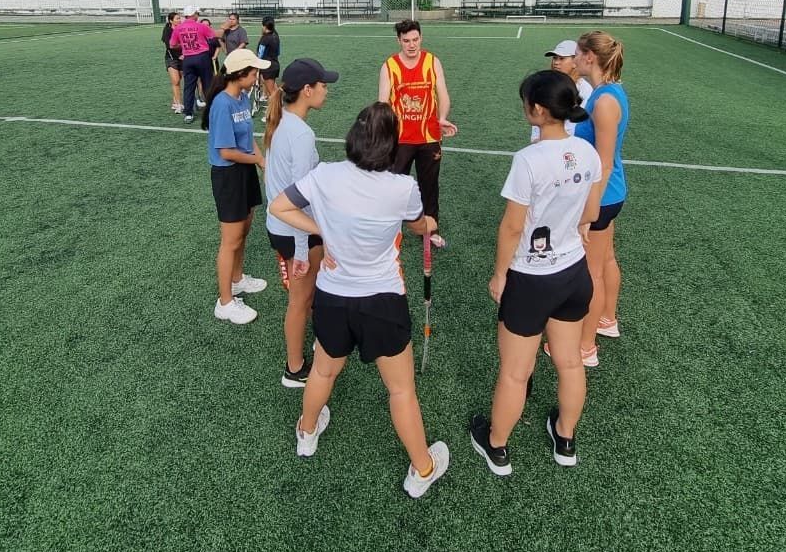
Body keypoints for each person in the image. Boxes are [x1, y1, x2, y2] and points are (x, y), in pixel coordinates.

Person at [269, 102, 450, 499]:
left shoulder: (325, 175)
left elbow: (278, 207)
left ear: (354, 135)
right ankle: (422, 468)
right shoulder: (403, 187)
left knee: (323, 372)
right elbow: (419, 222)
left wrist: (322, 230)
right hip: (382, 300)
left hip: (334, 298)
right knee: (400, 390)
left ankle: (307, 431)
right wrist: (427, 224)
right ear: (390, 145)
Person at [470, 70, 603, 476]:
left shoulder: (528, 160)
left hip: (531, 278)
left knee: (515, 371)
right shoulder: (587, 153)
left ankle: (497, 446)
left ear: (539, 110)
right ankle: (565, 439)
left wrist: (499, 275)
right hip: (574, 273)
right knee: (569, 363)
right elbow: (592, 215)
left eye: (526, 100)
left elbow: (512, 227)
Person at [264, 58, 339, 387]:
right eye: (323, 85)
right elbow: (295, 199)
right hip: (296, 233)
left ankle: (315, 345)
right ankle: (294, 369)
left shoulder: (284, 125)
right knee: (299, 301)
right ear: (307, 91)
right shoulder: (301, 133)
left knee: (305, 297)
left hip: (285, 228)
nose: (326, 90)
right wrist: (298, 250)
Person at [572, 31, 630, 366]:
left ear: (590, 57)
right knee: (606, 258)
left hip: (603, 196)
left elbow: (603, 163)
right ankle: (607, 320)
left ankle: (585, 346)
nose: (575, 60)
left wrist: (587, 211)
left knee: (590, 271)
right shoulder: (605, 93)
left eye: (578, 54)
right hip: (609, 195)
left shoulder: (605, 100)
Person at [205, 47, 272, 325]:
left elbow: (247, 137)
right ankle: (225, 302)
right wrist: (256, 158)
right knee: (230, 240)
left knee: (243, 230)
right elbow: (225, 152)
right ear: (239, 74)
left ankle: (237, 279)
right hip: (229, 176)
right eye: (254, 72)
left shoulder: (242, 98)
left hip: (244, 170)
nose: (257, 76)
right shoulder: (222, 104)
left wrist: (262, 162)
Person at [378, 20, 456, 249]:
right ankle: (389, 232)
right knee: (392, 186)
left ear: (420, 38)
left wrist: (441, 117)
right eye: (406, 41)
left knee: (429, 186)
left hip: (430, 138)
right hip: (400, 139)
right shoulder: (389, 66)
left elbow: (443, 94)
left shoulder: (432, 62)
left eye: (415, 39)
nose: (411, 45)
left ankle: (430, 231)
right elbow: (383, 103)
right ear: (398, 41)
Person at [530, 39, 592, 142]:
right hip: (543, 143)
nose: (556, 62)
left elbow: (578, 124)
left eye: (562, 58)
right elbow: (539, 117)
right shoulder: (546, 84)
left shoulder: (585, 90)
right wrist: (536, 139)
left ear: (575, 61)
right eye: (555, 58)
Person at [170, 7, 215, 123]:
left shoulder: (178, 28)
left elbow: (172, 45)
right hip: (202, 57)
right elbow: (213, 38)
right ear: (194, 14)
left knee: (189, 87)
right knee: (208, 85)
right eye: (196, 13)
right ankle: (211, 112)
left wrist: (184, 46)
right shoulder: (201, 26)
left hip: (188, 59)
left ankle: (188, 114)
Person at [257, 17, 282, 120]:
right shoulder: (276, 36)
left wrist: (256, 63)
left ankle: (271, 115)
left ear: (264, 26)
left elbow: (260, 54)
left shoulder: (265, 38)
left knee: (271, 93)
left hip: (267, 66)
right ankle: (280, 108)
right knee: (274, 90)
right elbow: (279, 52)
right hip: (275, 64)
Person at [161, 11, 183, 114]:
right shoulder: (167, 30)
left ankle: (175, 102)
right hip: (171, 58)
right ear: (171, 20)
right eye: (177, 18)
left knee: (180, 79)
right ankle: (179, 104)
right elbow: (170, 45)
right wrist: (183, 45)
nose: (179, 20)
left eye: (180, 18)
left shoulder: (182, 28)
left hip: (183, 58)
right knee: (176, 81)